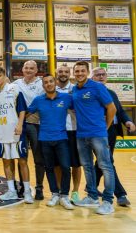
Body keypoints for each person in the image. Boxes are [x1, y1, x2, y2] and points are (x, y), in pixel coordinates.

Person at [72, 61, 116, 215]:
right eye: (76, 71)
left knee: (105, 166)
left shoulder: (97, 87)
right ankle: (92, 197)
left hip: (98, 134)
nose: (79, 74)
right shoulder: (74, 89)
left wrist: (106, 127)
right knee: (87, 166)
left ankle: (108, 201)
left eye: (82, 71)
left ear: (87, 72)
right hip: (81, 135)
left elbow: (112, 108)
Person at [28, 74, 74, 210]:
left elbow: (80, 109)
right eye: (46, 82)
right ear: (43, 86)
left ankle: (64, 196)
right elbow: (26, 112)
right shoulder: (38, 100)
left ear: (55, 83)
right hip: (44, 139)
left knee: (66, 167)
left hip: (62, 139)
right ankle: (54, 194)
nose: (48, 84)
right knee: (49, 168)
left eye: (51, 81)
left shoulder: (66, 98)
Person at [92, 67, 135, 207]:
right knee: (107, 161)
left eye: (103, 74)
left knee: (102, 160)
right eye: (97, 75)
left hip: (112, 132)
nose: (100, 77)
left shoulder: (111, 93)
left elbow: (120, 111)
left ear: (107, 77)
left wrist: (128, 121)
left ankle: (91, 186)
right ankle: (120, 194)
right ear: (92, 78)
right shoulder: (91, 93)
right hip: (99, 131)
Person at [0, 67, 33, 204]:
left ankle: (27, 191)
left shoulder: (14, 89)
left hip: (15, 131)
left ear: (4, 76)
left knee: (22, 161)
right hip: (1, 132)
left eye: (0, 75)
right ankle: (11, 190)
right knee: (6, 161)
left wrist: (20, 124)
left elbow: (22, 109)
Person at [13, 60, 45, 200]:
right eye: (26, 68)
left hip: (36, 124)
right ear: (23, 69)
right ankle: (23, 186)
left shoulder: (42, 84)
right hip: (20, 125)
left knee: (39, 158)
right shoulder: (15, 84)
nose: (28, 70)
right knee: (22, 158)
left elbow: (42, 103)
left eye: (32, 68)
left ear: (36, 70)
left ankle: (39, 187)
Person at [56, 64, 82, 204]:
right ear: (57, 73)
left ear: (70, 73)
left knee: (76, 164)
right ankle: (61, 191)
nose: (63, 74)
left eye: (66, 71)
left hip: (73, 130)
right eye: (61, 71)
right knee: (58, 164)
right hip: (58, 131)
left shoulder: (75, 89)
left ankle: (75, 191)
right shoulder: (51, 89)